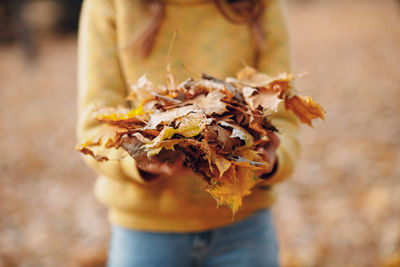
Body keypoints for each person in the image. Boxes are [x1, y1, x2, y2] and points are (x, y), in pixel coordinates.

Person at [77, 0, 299, 266]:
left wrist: (272, 158)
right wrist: (143, 160)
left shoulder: (260, 4)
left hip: (244, 229)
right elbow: (96, 127)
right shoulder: (110, 5)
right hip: (145, 235)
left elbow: (283, 114)